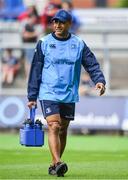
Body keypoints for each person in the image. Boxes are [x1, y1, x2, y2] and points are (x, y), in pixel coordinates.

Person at [27, 9, 106, 177]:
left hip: (69, 93)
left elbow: (91, 64)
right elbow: (36, 69)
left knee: (63, 129)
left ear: (69, 24)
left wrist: (99, 81)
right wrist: (32, 96)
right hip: (48, 91)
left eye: (61, 22)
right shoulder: (44, 42)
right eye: (55, 22)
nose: (57, 25)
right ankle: (58, 162)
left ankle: (54, 164)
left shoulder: (78, 44)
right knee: (54, 126)